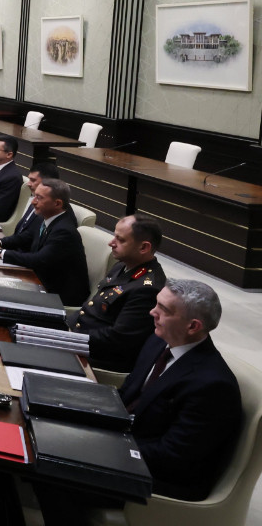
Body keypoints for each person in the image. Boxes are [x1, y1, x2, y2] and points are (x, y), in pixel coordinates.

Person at [121, 280, 241, 501]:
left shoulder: (213, 386)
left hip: (161, 479)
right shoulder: (158, 342)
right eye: (156, 304)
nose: (152, 312)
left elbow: (172, 455)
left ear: (193, 326)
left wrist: (109, 446)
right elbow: (127, 395)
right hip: (129, 442)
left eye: (163, 309)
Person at [69, 214, 167, 372]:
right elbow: (92, 309)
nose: (111, 243)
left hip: (97, 359)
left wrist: (68, 338)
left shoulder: (147, 289)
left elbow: (118, 339)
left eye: (120, 240)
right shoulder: (122, 265)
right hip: (81, 340)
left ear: (143, 247)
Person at [0, 178, 89, 306]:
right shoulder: (47, 217)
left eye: (39, 198)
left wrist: (0, 252)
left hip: (58, 296)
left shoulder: (64, 230)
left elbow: (39, 260)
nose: (33, 201)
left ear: (57, 203)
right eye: (34, 196)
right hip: (39, 281)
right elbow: (24, 238)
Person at [11, 162, 59, 236]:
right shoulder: (36, 198)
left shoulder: (50, 208)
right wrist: (0, 241)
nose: (28, 184)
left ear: (47, 182)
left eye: (33, 180)